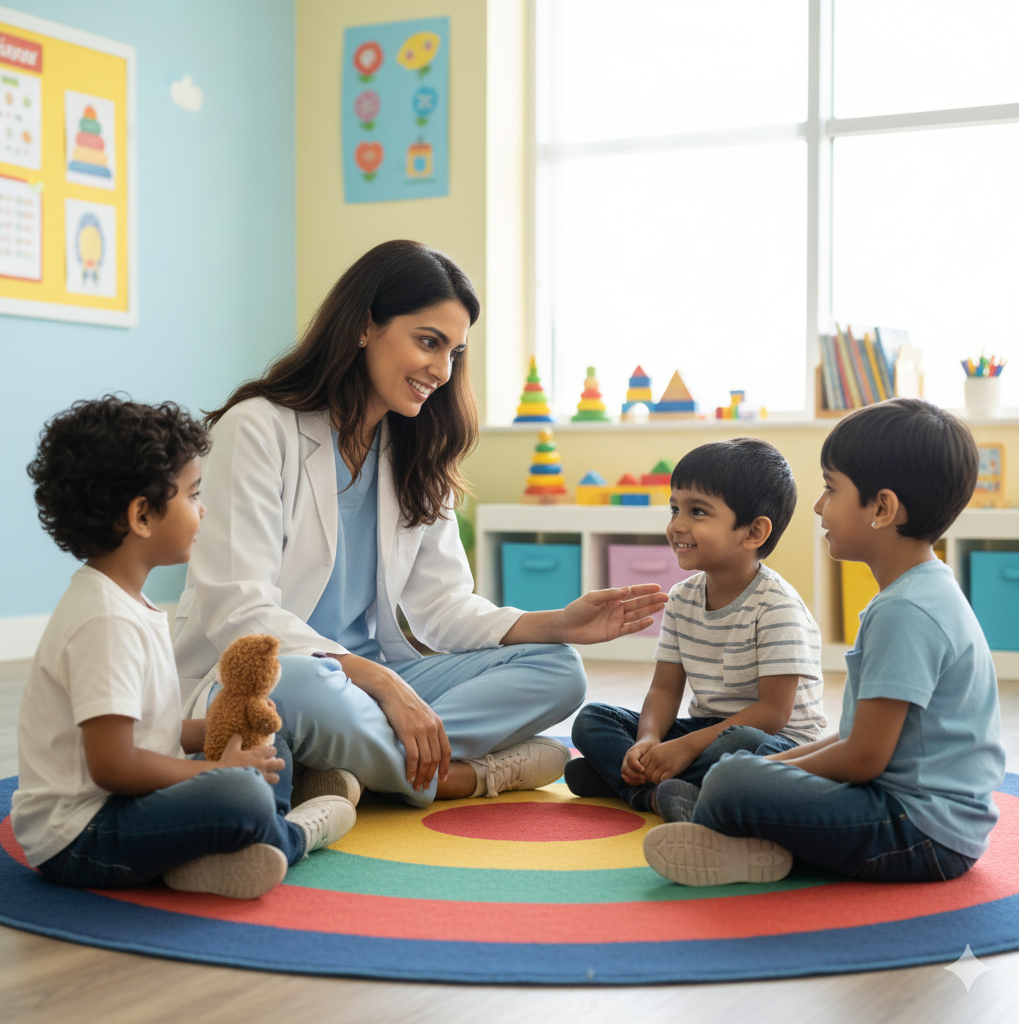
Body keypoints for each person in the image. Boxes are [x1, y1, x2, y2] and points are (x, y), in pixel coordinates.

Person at [172, 240, 667, 809]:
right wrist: (383, 684)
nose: (442, 369)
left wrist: (558, 623)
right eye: (428, 342)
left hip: (363, 688)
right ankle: (460, 776)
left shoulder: (416, 449)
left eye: (454, 351)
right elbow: (242, 615)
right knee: (294, 683)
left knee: (559, 669)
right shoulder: (258, 428)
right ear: (363, 327)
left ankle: (349, 761)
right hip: (277, 675)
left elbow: (442, 607)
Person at [644, 399, 1005, 886]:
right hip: (916, 816)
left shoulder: (907, 610)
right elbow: (859, 737)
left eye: (831, 489)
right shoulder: (915, 593)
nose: (817, 506)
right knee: (740, 769)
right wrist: (765, 769)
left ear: (882, 508)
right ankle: (749, 845)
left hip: (919, 832)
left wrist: (750, 777)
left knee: (732, 779)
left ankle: (732, 829)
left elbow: (861, 758)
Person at [12, 397, 355, 900]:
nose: (204, 509)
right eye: (194, 495)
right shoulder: (103, 621)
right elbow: (115, 766)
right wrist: (215, 770)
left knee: (261, 722)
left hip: (127, 805)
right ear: (142, 516)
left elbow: (146, 729)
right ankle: (293, 835)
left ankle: (228, 852)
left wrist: (221, 728)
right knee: (237, 793)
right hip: (83, 835)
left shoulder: (128, 603)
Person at [566, 438, 825, 820]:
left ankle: (632, 785)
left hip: (775, 743)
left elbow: (772, 713)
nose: (677, 525)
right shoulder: (682, 598)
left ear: (753, 532)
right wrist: (650, 740)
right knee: (594, 719)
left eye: (698, 511)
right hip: (707, 730)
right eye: (675, 509)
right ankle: (657, 792)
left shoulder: (777, 607)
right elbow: (664, 688)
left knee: (738, 744)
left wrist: (684, 748)